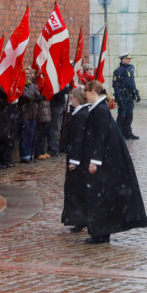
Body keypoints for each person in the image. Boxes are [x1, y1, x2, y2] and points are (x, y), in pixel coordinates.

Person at [80, 80, 147, 243]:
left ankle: (101, 232)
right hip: (106, 161)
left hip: (104, 162)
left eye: (86, 94)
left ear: (92, 92)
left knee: (101, 197)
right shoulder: (100, 109)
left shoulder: (101, 111)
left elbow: (100, 137)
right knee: (101, 196)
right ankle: (100, 231)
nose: (86, 98)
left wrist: (94, 160)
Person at [61, 86, 90, 232]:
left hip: (78, 159)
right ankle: (79, 218)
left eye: (72, 98)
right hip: (77, 156)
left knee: (77, 189)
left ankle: (81, 219)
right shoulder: (80, 113)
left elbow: (78, 139)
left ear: (77, 99)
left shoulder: (81, 115)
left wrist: (74, 160)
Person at [113, 53, 141, 140]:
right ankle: (118, 134)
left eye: (130, 59)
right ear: (122, 60)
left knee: (129, 115)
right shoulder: (118, 71)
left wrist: (136, 93)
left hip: (129, 95)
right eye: (127, 58)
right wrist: (118, 97)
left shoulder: (130, 69)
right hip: (122, 95)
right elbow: (115, 85)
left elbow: (132, 83)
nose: (129, 60)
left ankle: (128, 133)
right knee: (122, 116)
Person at [17, 69, 41, 163]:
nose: (27, 75)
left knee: (32, 134)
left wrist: (38, 97)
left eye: (28, 73)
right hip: (24, 113)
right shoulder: (20, 85)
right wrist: (34, 96)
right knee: (24, 135)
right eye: (25, 74)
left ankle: (31, 154)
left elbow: (37, 95)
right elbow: (26, 96)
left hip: (32, 113)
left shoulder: (33, 85)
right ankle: (24, 155)